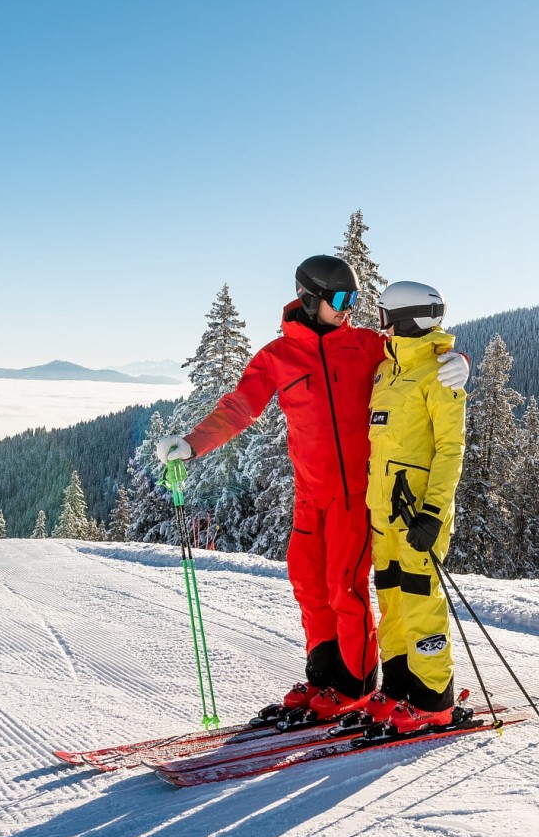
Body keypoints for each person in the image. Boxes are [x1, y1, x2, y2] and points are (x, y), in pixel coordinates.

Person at [154, 255, 469, 723]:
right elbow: (241, 406)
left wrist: (459, 362)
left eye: (355, 300)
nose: (350, 309)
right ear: (309, 297)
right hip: (309, 494)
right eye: (341, 299)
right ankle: (323, 674)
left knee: (346, 587)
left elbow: (418, 354)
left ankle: (354, 681)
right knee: (308, 584)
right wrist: (193, 444)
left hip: (356, 496)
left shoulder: (365, 346)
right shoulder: (278, 357)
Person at [358, 280, 468, 734]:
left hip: (418, 511)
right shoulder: (388, 370)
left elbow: (451, 449)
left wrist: (433, 511)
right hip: (383, 511)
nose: (380, 322)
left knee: (421, 599)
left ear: (403, 317)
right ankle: (401, 685)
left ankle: (433, 698)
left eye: (384, 314)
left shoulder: (439, 373)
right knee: (391, 595)